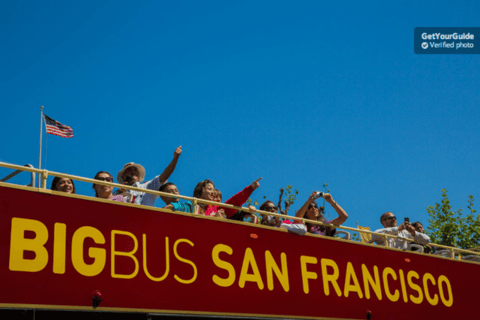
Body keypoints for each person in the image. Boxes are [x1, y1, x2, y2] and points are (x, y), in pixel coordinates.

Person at [116, 146, 182, 206]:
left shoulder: (147, 186)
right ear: (123, 176)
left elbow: (164, 176)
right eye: (129, 170)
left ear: (139, 175)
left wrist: (175, 159)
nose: (133, 171)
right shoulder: (114, 192)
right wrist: (118, 195)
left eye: (135, 170)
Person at [192, 178, 262, 218]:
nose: (213, 192)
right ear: (201, 190)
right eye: (209, 189)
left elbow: (235, 201)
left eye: (213, 189)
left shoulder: (217, 209)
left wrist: (250, 188)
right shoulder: (190, 206)